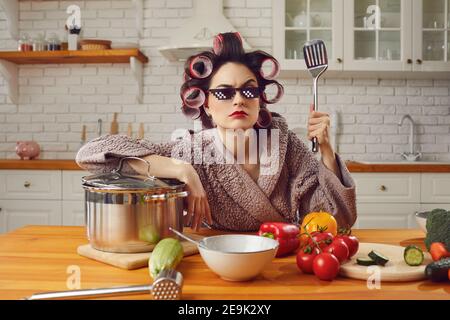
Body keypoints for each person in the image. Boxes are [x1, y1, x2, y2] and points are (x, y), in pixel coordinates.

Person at [76, 32, 357, 232]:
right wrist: (182, 170)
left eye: (249, 90)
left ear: (260, 99)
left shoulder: (285, 145)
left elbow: (336, 220)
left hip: (280, 261)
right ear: (206, 105)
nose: (238, 100)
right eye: (223, 93)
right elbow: (90, 155)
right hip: (215, 259)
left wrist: (327, 152)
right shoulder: (192, 150)